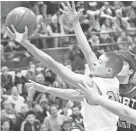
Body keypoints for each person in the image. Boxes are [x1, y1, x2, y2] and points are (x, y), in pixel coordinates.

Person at [6, 2, 123, 131]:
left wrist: (26, 43)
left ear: (108, 70)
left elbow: (54, 66)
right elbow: (88, 52)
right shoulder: (112, 81)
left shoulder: (94, 85)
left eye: (99, 62)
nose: (95, 63)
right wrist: (75, 22)